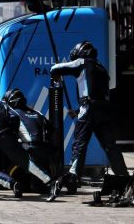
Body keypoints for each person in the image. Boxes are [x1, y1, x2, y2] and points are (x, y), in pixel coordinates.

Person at [50, 41, 129, 192]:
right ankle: (124, 178)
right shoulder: (102, 69)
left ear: (81, 51)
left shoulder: (82, 62)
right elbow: (97, 92)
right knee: (110, 146)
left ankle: (73, 177)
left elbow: (56, 68)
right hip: (104, 111)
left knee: (79, 144)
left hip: (88, 109)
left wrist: (56, 74)